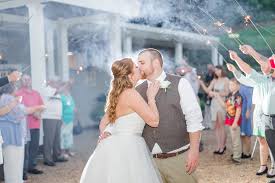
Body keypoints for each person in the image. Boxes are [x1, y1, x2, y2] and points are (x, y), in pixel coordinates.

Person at [80, 58, 163, 183]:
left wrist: (105, 133)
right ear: (130, 75)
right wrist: (151, 98)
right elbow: (154, 121)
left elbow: (103, 122)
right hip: (129, 147)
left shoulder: (118, 94)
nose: (139, 68)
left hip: (113, 146)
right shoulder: (130, 94)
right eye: (135, 67)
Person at [136, 48, 203, 183]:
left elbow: (194, 119)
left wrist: (194, 151)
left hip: (178, 159)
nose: (139, 67)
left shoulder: (180, 83)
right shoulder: (137, 89)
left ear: (155, 63)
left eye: (142, 63)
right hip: (148, 162)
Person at [228, 49, 274, 177]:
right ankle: (263, 165)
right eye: (261, 64)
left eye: (265, 64)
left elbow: (248, 70)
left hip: (270, 113)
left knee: (271, 141)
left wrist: (237, 58)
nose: (262, 65)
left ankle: (274, 166)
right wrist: (234, 70)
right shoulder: (260, 78)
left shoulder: (268, 79)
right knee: (261, 139)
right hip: (259, 112)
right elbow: (245, 79)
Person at [0, 83, 45, 183]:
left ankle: (17, 179)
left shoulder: (5, 98)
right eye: (15, 87)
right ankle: (14, 180)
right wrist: (38, 107)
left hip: (10, 134)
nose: (17, 89)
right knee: (14, 160)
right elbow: (20, 111)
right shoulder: (8, 98)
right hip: (12, 135)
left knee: (13, 161)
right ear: (11, 88)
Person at [15, 75, 45, 175]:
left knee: (34, 147)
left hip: (36, 124)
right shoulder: (18, 93)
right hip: (24, 126)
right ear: (21, 81)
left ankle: (32, 166)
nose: (27, 81)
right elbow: (19, 108)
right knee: (25, 149)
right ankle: (23, 170)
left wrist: (39, 113)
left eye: (28, 79)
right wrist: (33, 112)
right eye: (25, 79)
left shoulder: (36, 93)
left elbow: (42, 106)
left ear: (31, 81)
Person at [199, 65, 229, 154]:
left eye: (218, 70)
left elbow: (227, 92)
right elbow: (208, 91)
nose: (217, 72)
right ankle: (219, 146)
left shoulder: (226, 80)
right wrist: (201, 83)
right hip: (214, 104)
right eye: (215, 71)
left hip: (221, 103)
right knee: (216, 126)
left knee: (221, 125)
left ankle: (223, 147)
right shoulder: (214, 80)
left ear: (222, 70)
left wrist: (216, 93)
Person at [215, 78, 242, 164]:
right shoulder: (230, 95)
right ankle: (235, 154)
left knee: (236, 139)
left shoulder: (238, 96)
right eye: (230, 85)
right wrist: (218, 96)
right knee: (233, 139)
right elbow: (225, 106)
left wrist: (235, 122)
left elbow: (238, 110)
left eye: (233, 85)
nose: (231, 86)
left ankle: (237, 157)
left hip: (235, 121)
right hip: (230, 120)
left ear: (238, 86)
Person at [41, 79, 67, 167]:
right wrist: (66, 84)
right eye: (56, 82)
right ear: (51, 82)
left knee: (57, 139)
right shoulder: (47, 90)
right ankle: (47, 159)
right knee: (49, 139)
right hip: (49, 117)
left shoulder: (57, 92)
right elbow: (57, 91)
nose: (57, 83)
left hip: (57, 117)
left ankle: (56, 155)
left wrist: (61, 117)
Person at [60, 82, 76, 158]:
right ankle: (62, 152)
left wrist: (74, 110)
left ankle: (68, 151)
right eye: (66, 87)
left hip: (70, 119)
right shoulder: (61, 97)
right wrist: (61, 118)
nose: (67, 89)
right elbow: (60, 108)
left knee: (69, 135)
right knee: (62, 135)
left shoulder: (70, 96)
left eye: (68, 87)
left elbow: (73, 106)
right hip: (63, 119)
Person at [239, 84, 253, 159]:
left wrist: (248, 110)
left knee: (247, 133)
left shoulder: (247, 85)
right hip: (239, 113)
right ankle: (241, 151)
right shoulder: (239, 84)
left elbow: (250, 99)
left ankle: (247, 152)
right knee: (241, 133)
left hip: (245, 112)